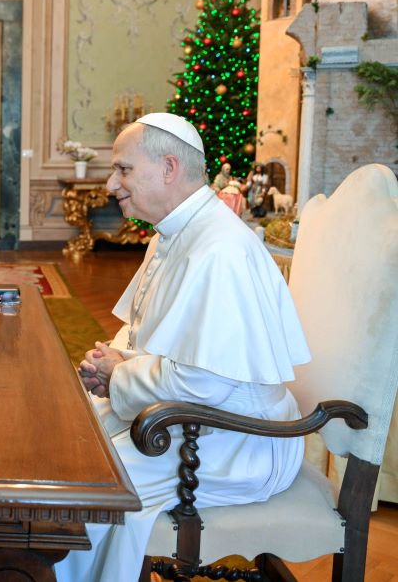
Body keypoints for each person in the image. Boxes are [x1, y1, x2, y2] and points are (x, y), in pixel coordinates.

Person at [54, 113, 310, 581]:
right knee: (66, 440)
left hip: (238, 442)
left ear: (168, 168)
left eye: (123, 169)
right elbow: (144, 332)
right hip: (192, 421)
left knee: (89, 484)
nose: (112, 184)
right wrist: (111, 361)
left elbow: (204, 384)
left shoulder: (220, 250)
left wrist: (119, 374)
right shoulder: (173, 235)